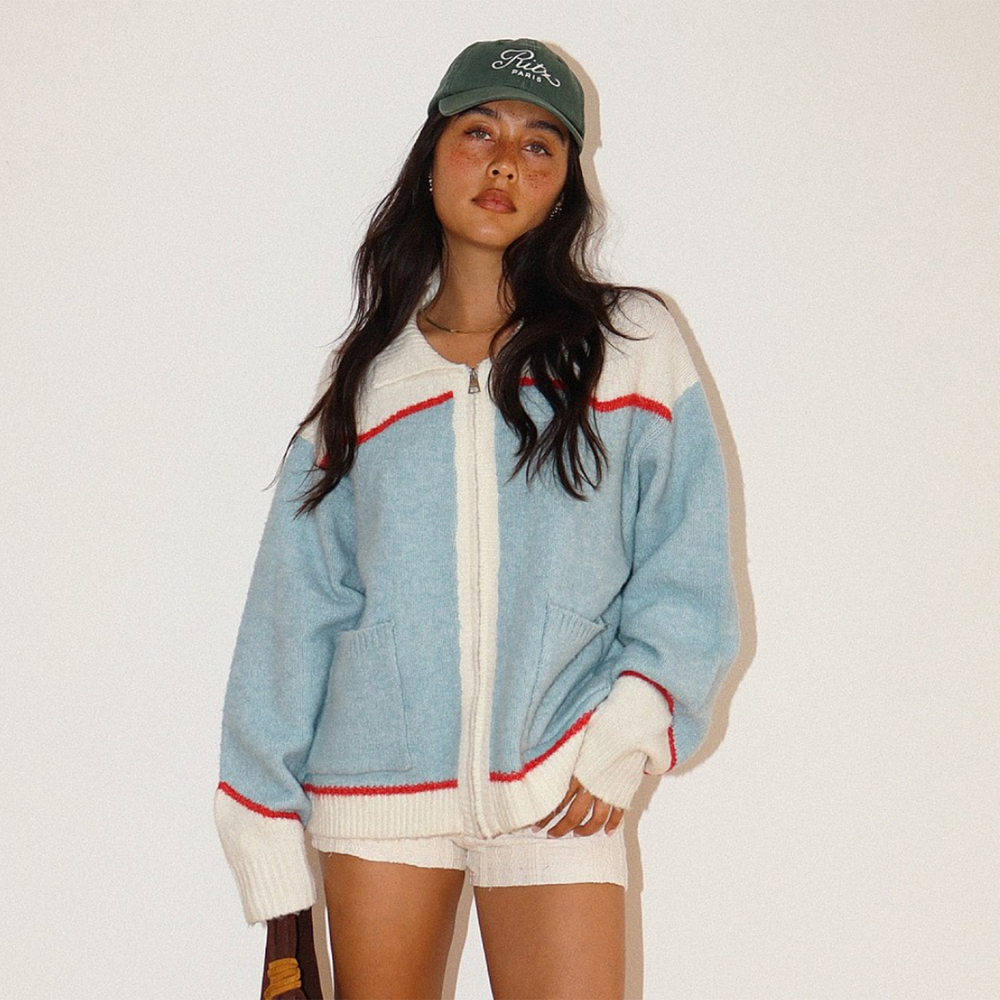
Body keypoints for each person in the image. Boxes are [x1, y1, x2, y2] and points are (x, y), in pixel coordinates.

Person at [215, 38, 740, 1000]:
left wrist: (634, 721)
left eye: (539, 145)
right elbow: (293, 612)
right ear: (433, 157)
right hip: (376, 791)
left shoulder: (630, 346)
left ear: (564, 184)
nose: (505, 163)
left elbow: (686, 557)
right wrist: (262, 823)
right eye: (479, 133)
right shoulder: (369, 382)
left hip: (560, 779)